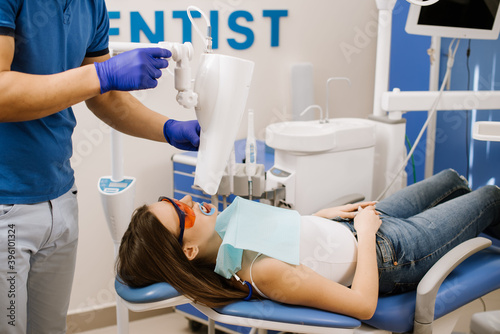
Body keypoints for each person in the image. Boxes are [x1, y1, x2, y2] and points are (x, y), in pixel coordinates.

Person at [0, 1, 200, 333]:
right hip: (7, 203)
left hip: (60, 196)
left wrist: (169, 130)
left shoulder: (90, 5)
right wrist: (101, 73)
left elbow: (103, 96)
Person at [117, 169, 500, 320]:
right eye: (181, 215)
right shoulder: (261, 272)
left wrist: (321, 216)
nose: (188, 204)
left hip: (352, 227)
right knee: (492, 198)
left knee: (451, 180)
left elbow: (293, 239)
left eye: (173, 201)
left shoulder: (232, 236)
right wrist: (365, 232)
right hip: (393, 253)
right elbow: (363, 305)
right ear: (187, 251)